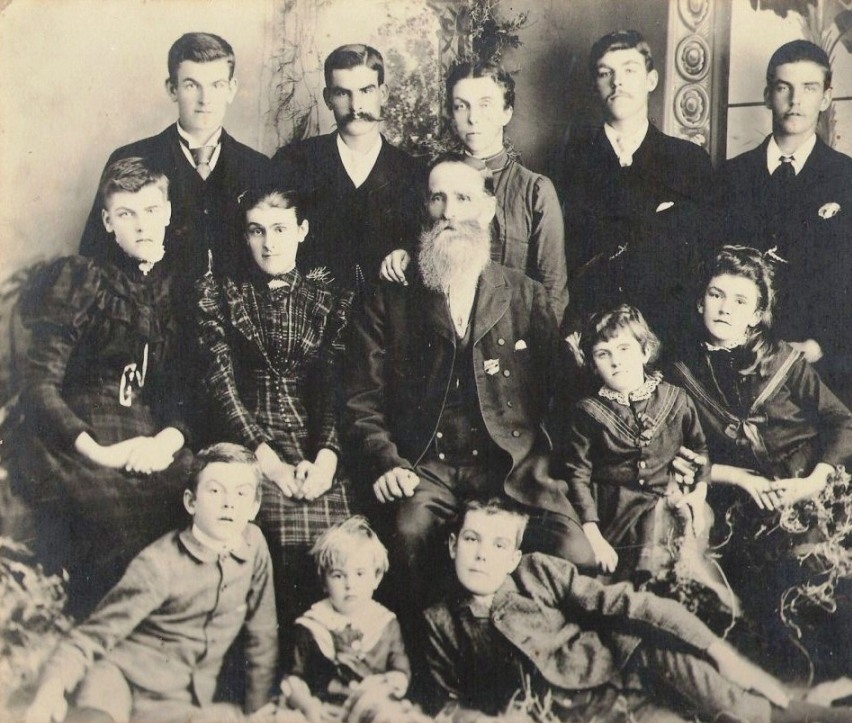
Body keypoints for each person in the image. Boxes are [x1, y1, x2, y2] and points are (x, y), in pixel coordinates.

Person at [669, 246, 852, 702]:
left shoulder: (783, 361)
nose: (725, 308)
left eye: (740, 301)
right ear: (699, 301)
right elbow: (684, 454)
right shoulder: (682, 373)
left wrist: (814, 480)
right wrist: (743, 480)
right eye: (716, 294)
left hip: (830, 478)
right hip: (762, 496)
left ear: (757, 315)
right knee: (795, 578)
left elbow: (846, 425)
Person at [344, 156, 593, 622]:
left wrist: (554, 463)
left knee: (574, 551)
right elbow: (362, 399)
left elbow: (563, 397)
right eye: (438, 198)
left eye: (463, 198)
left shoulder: (526, 294)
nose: (450, 212)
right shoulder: (390, 294)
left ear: (488, 208)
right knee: (408, 534)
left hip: (512, 466)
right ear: (425, 208)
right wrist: (386, 461)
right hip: (427, 464)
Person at [422, 497, 852, 723]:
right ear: (453, 545)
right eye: (472, 540)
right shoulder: (439, 622)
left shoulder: (537, 572)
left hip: (634, 660)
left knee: (741, 712)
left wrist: (721, 653)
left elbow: (634, 605)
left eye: (499, 544)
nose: (482, 555)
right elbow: (448, 703)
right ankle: (814, 707)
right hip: (590, 712)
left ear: (514, 557)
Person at [10, 157, 192, 619]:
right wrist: (101, 454)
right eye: (126, 214)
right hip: (77, 437)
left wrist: (165, 443)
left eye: (151, 210)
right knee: (113, 519)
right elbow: (39, 385)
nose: (142, 225)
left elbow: (183, 394)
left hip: (149, 437)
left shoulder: (177, 293)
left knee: (197, 500)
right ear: (108, 222)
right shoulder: (82, 279)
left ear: (168, 213)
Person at [195, 187, 354, 663]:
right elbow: (221, 384)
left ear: (302, 231)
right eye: (257, 231)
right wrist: (268, 462)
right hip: (246, 436)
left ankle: (329, 667)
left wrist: (325, 459)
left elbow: (336, 384)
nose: (269, 244)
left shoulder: (329, 297)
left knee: (340, 538)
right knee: (269, 528)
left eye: (280, 229)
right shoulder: (223, 293)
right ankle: (268, 668)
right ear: (245, 236)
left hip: (315, 440)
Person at [24, 443, 277, 723]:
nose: (229, 503)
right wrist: (51, 688)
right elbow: (93, 635)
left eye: (241, 493)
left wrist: (258, 706)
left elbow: (263, 630)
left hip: (177, 699)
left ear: (254, 507)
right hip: (119, 680)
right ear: (191, 502)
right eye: (215, 490)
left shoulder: (254, 544)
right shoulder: (158, 564)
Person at [714, 40, 852, 407]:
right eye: (784, 87)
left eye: (809, 88)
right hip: (740, 362)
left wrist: (819, 343)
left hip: (825, 366)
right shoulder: (730, 177)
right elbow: (709, 270)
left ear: (826, 98)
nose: (795, 100)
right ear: (768, 96)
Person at [562, 305, 736, 619]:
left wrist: (698, 496)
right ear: (593, 364)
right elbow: (578, 475)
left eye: (624, 349)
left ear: (645, 351)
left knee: (681, 560)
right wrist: (594, 536)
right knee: (615, 594)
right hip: (613, 512)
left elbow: (700, 451)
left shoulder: (676, 399)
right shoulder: (588, 412)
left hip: (665, 502)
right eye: (603, 354)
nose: (616, 361)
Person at [557, 29, 714, 344]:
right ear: (595, 85)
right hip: (595, 334)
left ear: (651, 80)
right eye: (606, 73)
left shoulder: (689, 160)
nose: (617, 82)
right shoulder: (569, 162)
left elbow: (705, 255)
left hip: (669, 334)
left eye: (629, 70)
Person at [78, 33, 270, 290]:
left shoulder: (258, 167)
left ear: (231, 89)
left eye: (216, 85)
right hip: (149, 310)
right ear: (172, 89)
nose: (205, 99)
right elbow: (95, 257)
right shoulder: (131, 157)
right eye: (191, 85)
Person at [379, 61, 568, 323]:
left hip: (513, 333)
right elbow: (420, 255)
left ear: (506, 112)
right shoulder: (431, 184)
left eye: (485, 105)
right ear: (451, 115)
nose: (473, 118)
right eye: (461, 106)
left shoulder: (535, 191)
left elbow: (553, 287)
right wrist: (402, 255)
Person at [272, 43, 425, 293]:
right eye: (343, 93)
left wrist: (407, 253)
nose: (356, 107)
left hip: (388, 314)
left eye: (366, 90)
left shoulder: (414, 173)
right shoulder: (292, 162)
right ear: (328, 98)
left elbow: (423, 247)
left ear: (383, 93)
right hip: (308, 311)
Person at [282, 516, 410, 709]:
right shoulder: (311, 625)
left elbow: (400, 674)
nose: (350, 584)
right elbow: (294, 678)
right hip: (323, 710)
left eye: (359, 573)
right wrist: (307, 705)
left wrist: (382, 689)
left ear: (376, 578)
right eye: (338, 575)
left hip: (373, 708)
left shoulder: (385, 623)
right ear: (324, 582)